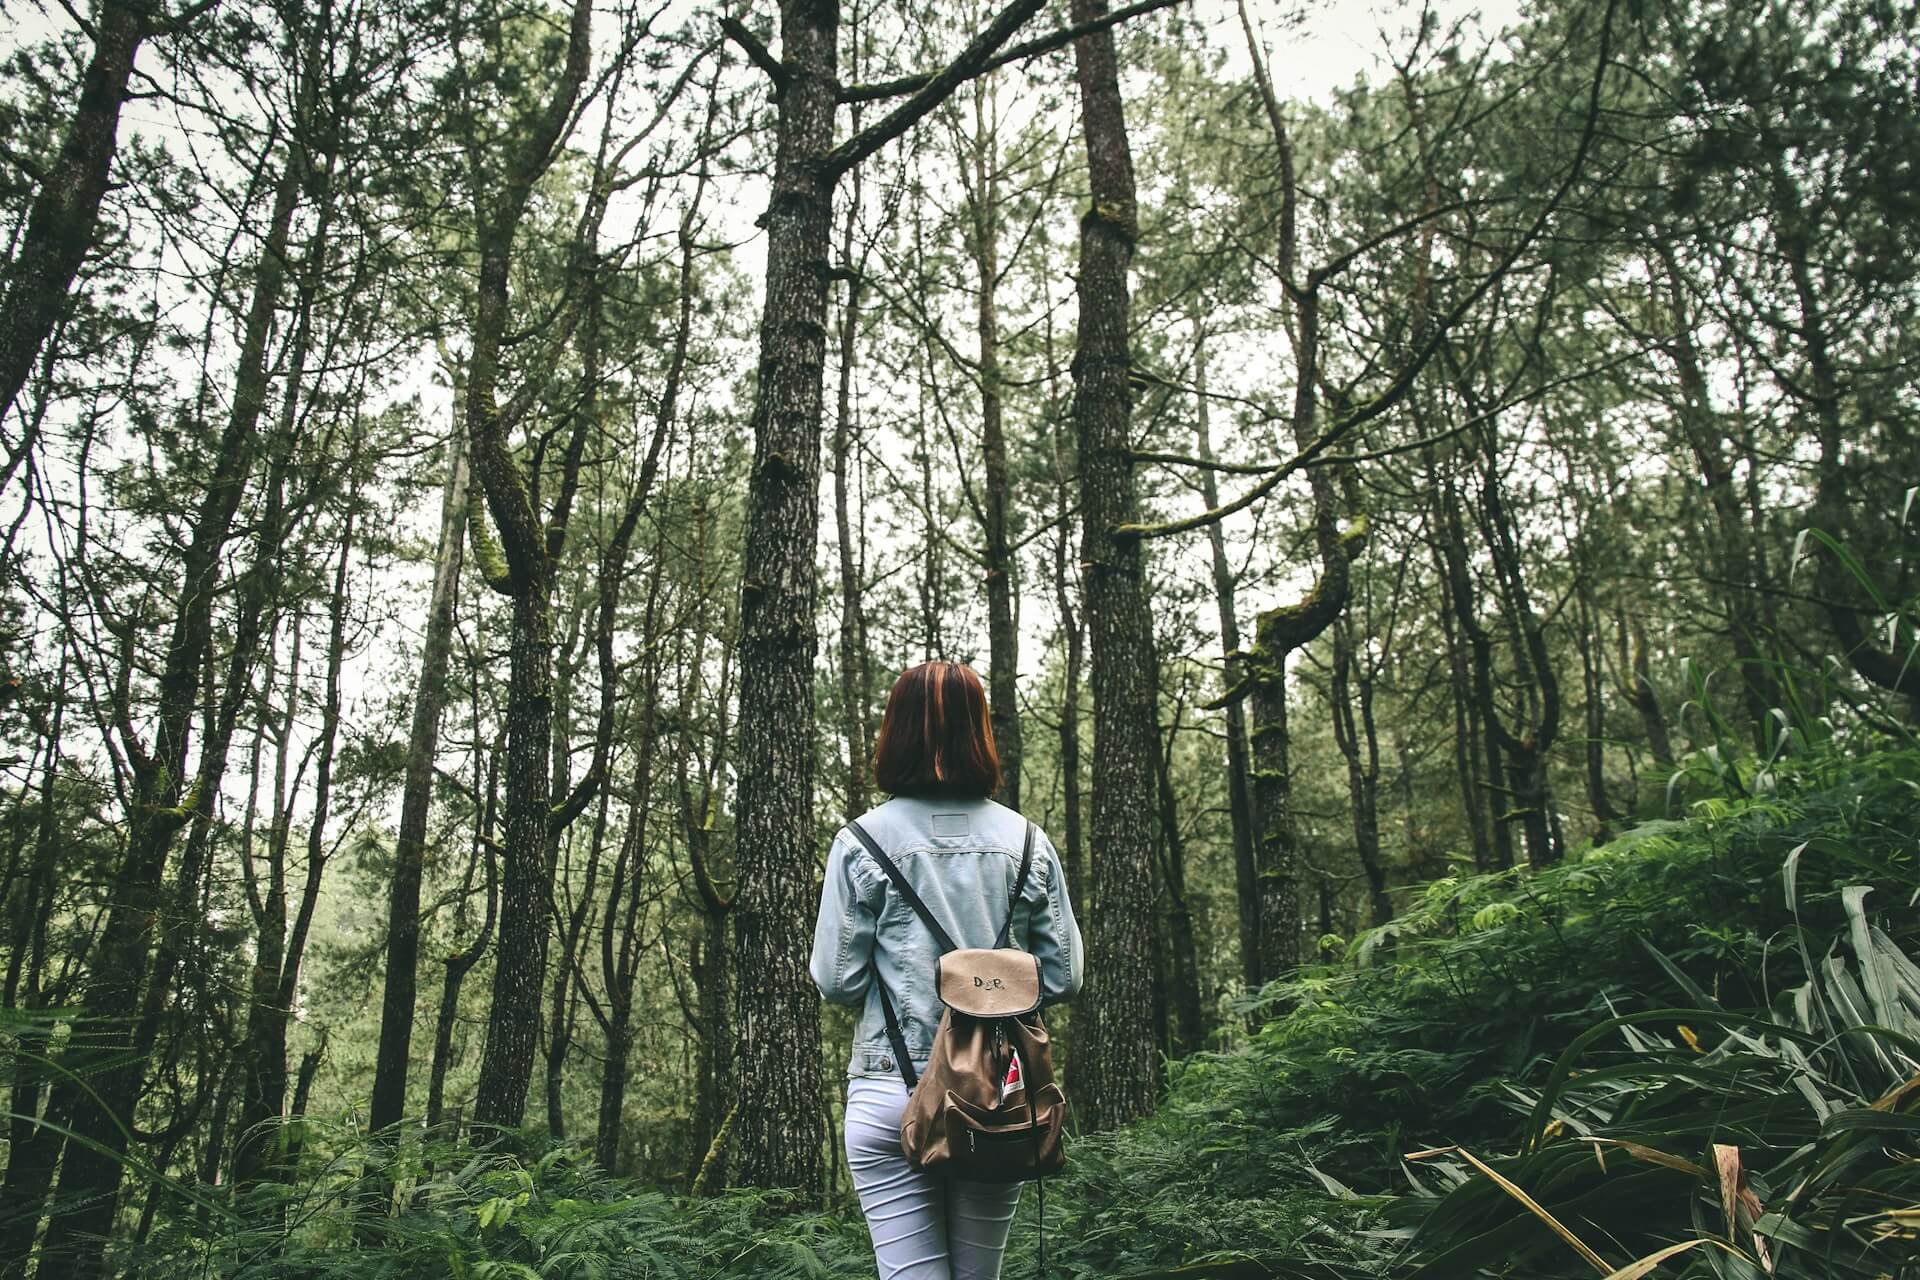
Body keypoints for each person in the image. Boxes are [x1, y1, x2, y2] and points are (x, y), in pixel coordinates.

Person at [810, 661, 1084, 1280]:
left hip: (891, 1087)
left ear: (895, 732)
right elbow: (1063, 978)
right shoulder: (1028, 841)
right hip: (998, 1097)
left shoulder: (860, 842)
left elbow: (837, 980)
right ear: (978, 731)